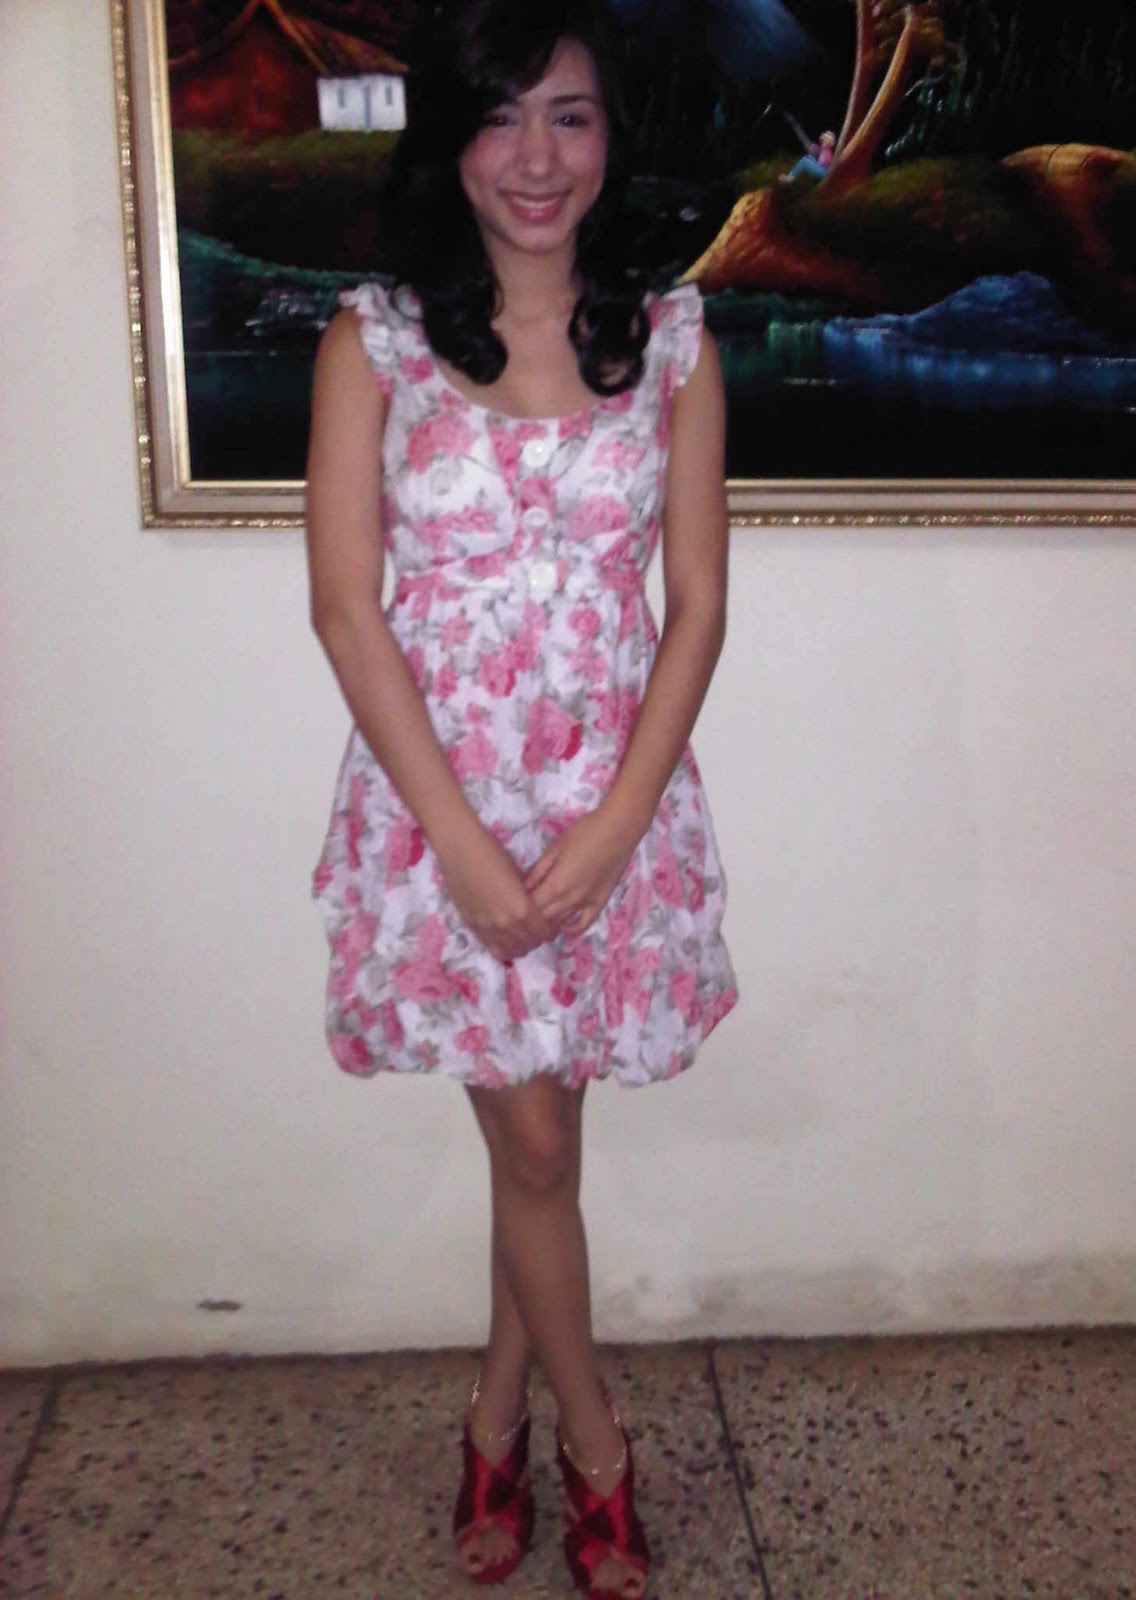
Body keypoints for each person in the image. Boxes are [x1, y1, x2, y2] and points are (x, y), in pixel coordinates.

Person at [304, 2, 737, 1595]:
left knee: (535, 1146)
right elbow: (347, 610)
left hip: (612, 806)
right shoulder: (376, 343)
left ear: (613, 135)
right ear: (452, 140)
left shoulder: (674, 344)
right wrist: (465, 849)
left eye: (571, 114)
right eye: (501, 116)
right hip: (446, 816)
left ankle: (493, 1422)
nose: (537, 156)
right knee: (541, 1149)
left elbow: (696, 609)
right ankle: (597, 1451)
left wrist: (616, 829)